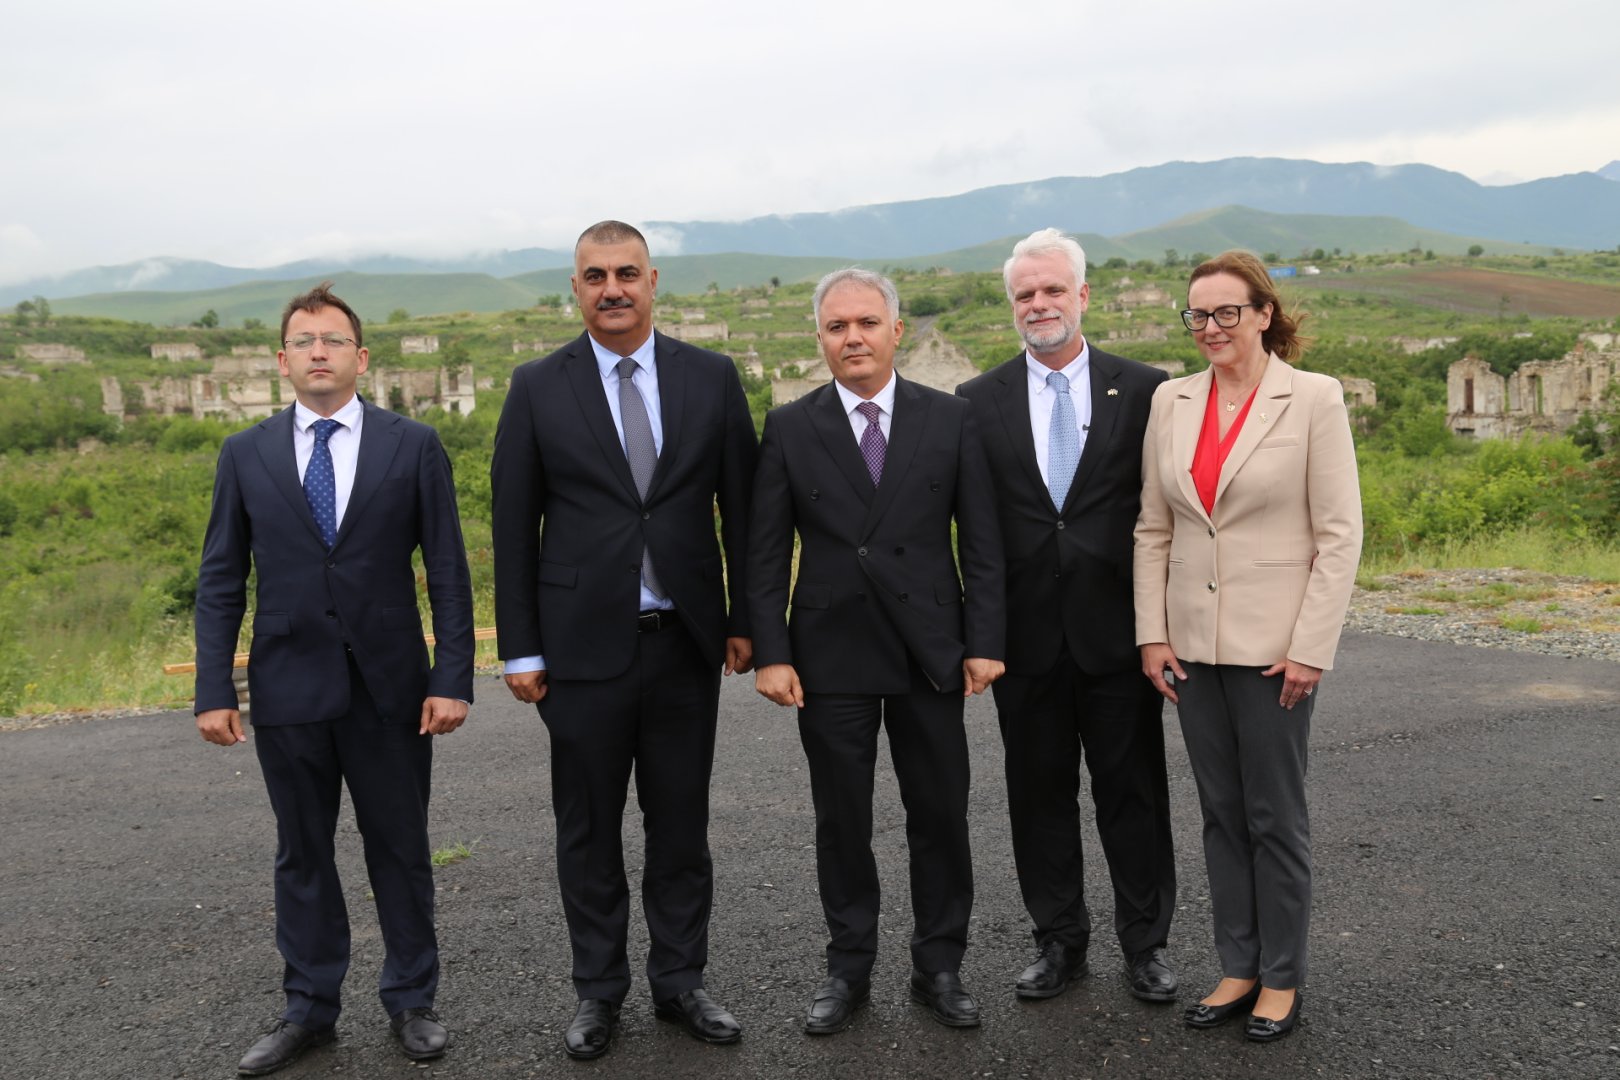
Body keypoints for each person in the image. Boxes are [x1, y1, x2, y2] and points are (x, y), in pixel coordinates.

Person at [490, 220, 757, 1060]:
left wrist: (746, 619)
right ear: (575, 288)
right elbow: (511, 524)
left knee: (680, 825)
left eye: (627, 273)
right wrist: (520, 648)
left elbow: (746, 513)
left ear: (652, 282)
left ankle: (681, 983)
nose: (613, 288)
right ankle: (597, 993)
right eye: (595, 275)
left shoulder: (711, 378)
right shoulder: (537, 386)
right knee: (589, 828)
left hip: (683, 644)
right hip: (578, 650)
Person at [193, 282, 476, 1076]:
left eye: (334, 339)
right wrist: (213, 687)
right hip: (286, 689)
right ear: (283, 360)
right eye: (304, 340)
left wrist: (453, 676)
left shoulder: (412, 445)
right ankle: (309, 1009)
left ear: (361, 356)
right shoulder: (244, 454)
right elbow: (221, 579)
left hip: (391, 688)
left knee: (401, 846)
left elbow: (448, 573)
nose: (319, 351)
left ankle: (412, 1000)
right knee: (302, 854)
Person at [748, 268, 1006, 1035]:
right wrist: (771, 651)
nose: (852, 338)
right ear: (820, 338)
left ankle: (941, 966)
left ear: (896, 331)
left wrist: (984, 641)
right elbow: (764, 553)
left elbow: (983, 542)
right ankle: (848, 969)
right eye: (836, 327)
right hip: (829, 654)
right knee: (842, 821)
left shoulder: (950, 419)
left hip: (930, 648)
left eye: (866, 323)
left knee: (939, 816)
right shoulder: (791, 427)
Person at [1135, 250, 1362, 1042]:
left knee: (1275, 816)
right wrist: (1152, 633)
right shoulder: (1171, 400)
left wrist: (1311, 647)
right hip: (1192, 647)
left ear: (1264, 314)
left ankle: (1283, 978)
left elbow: (1339, 535)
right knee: (1221, 815)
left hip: (1276, 650)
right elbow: (1154, 527)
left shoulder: (1313, 399)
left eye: (1226, 312)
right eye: (1197, 314)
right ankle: (1237, 963)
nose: (1210, 327)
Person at [957, 228, 1180, 1004]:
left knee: (1133, 794)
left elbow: (1166, 514)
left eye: (1053, 290)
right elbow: (973, 532)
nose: (1039, 304)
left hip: (1119, 637)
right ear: (1011, 305)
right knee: (1039, 796)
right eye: (1025, 294)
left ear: (1083, 295)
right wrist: (978, 638)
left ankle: (1146, 946)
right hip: (1023, 642)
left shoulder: (1148, 388)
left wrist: (1165, 624)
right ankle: (1058, 942)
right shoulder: (975, 403)